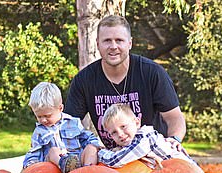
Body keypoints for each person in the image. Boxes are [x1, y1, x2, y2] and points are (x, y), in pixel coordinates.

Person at [65, 15, 186, 150]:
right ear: (98, 44)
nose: (113, 46)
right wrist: (87, 148)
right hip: (114, 159)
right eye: (107, 41)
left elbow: (174, 118)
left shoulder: (152, 72)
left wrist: (174, 139)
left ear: (129, 43)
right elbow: (68, 126)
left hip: (155, 154)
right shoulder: (84, 80)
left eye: (119, 40)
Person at [22, 82, 101, 173]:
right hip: (55, 169)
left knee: (92, 147)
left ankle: (88, 172)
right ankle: (65, 164)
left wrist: (95, 146)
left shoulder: (73, 122)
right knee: (53, 151)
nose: (43, 120)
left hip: (79, 162)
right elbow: (34, 153)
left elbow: (87, 137)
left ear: (60, 108)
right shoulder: (39, 132)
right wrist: (30, 166)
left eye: (47, 116)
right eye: (39, 117)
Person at [97, 103, 194, 169]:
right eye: (114, 132)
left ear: (137, 122)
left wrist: (99, 153)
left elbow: (115, 161)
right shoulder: (134, 142)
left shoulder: (145, 138)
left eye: (123, 126)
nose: (120, 134)